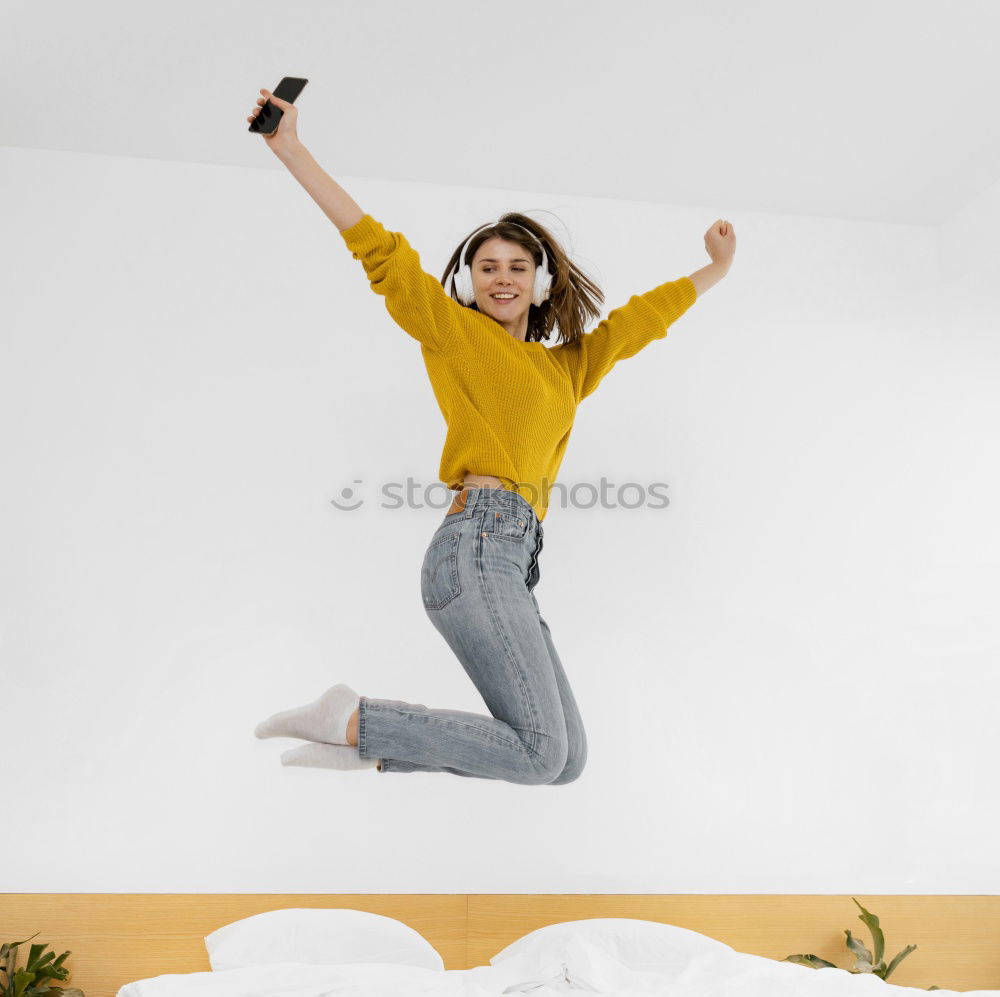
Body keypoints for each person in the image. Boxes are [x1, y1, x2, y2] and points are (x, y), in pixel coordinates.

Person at [249, 88, 736, 784]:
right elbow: (379, 252)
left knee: (566, 762)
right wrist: (292, 148)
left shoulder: (567, 367)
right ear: (469, 284)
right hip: (475, 543)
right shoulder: (455, 333)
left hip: (513, 558)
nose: (502, 277)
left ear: (539, 283)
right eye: (487, 267)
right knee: (540, 751)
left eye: (516, 266)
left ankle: (377, 741)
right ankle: (356, 719)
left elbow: (637, 323)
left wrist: (713, 271)